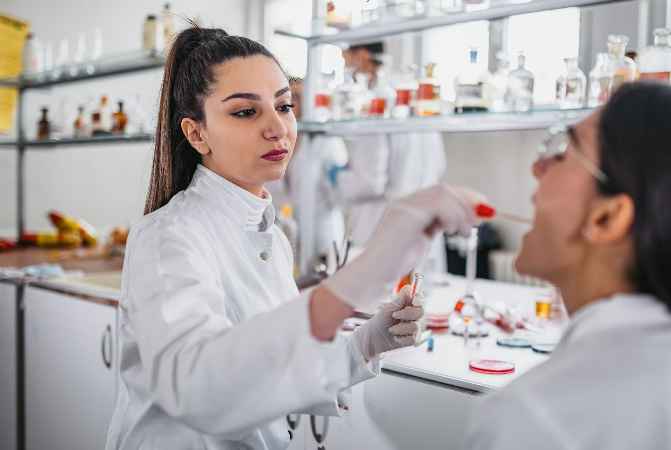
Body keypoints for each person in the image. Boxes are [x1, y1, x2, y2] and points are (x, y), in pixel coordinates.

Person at [105, 26, 482, 450]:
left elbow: (271, 364)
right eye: (246, 112)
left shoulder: (272, 238)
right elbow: (197, 388)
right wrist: (357, 278)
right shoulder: (167, 237)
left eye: (284, 106)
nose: (278, 128)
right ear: (196, 134)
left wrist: (366, 342)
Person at [465, 83, 671, 449]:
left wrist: (388, 265)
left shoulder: (536, 416)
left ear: (608, 218)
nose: (537, 166)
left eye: (562, 153)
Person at [335, 42, 449, 270]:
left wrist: (337, 176)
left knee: (382, 302)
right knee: (419, 299)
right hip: (423, 231)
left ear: (361, 57)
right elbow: (439, 166)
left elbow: (368, 183)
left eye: (345, 59)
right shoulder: (417, 98)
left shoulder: (374, 103)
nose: (345, 67)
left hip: (384, 231)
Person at [266, 80, 349, 264]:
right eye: (290, 99)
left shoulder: (326, 141)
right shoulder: (274, 139)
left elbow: (342, 194)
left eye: (301, 97)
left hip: (322, 239)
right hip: (281, 237)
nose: (296, 103)